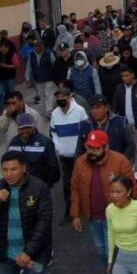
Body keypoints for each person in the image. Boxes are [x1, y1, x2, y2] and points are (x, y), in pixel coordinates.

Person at [71, 130, 134, 274]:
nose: (91, 151)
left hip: (115, 220)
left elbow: (132, 189)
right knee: (102, 252)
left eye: (95, 148)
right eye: (89, 147)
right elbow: (75, 188)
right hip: (93, 218)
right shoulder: (80, 163)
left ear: (106, 147)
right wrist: (75, 214)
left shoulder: (120, 161)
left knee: (111, 257)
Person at [50, 85, 91, 219]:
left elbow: (86, 132)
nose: (60, 99)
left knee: (82, 182)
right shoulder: (55, 114)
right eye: (58, 97)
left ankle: (86, 208)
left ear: (69, 97)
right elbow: (53, 133)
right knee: (67, 185)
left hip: (79, 156)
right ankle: (70, 210)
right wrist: (58, 148)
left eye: (63, 96)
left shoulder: (79, 111)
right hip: (63, 156)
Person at [89, 95, 134, 160]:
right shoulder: (86, 124)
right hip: (93, 165)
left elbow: (130, 144)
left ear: (106, 108)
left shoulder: (120, 122)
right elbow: (79, 150)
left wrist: (122, 161)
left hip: (115, 164)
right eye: (92, 108)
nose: (94, 111)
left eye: (98, 107)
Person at [25, 38, 56, 117]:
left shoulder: (49, 53)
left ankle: (49, 111)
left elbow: (55, 64)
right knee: (41, 96)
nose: (37, 48)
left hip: (48, 78)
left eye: (39, 46)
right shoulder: (31, 54)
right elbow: (29, 67)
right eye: (35, 46)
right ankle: (43, 110)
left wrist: (55, 76)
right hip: (38, 79)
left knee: (48, 95)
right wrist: (27, 78)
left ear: (43, 46)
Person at [0, 35, 20, 113]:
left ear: (8, 48)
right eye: (1, 48)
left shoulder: (13, 54)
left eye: (4, 48)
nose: (2, 50)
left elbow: (16, 65)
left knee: (11, 92)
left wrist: (5, 65)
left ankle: (15, 108)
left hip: (10, 77)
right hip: (0, 77)